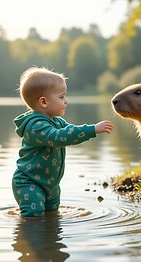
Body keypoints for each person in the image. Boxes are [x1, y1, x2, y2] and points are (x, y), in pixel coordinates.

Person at [12, 67, 114, 217]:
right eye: (61, 97)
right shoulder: (35, 126)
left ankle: (50, 239)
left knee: (52, 215)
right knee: (33, 217)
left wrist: (91, 130)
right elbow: (58, 137)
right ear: (44, 102)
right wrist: (92, 129)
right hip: (29, 183)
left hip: (51, 185)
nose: (66, 101)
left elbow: (72, 132)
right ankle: (29, 238)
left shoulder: (57, 121)